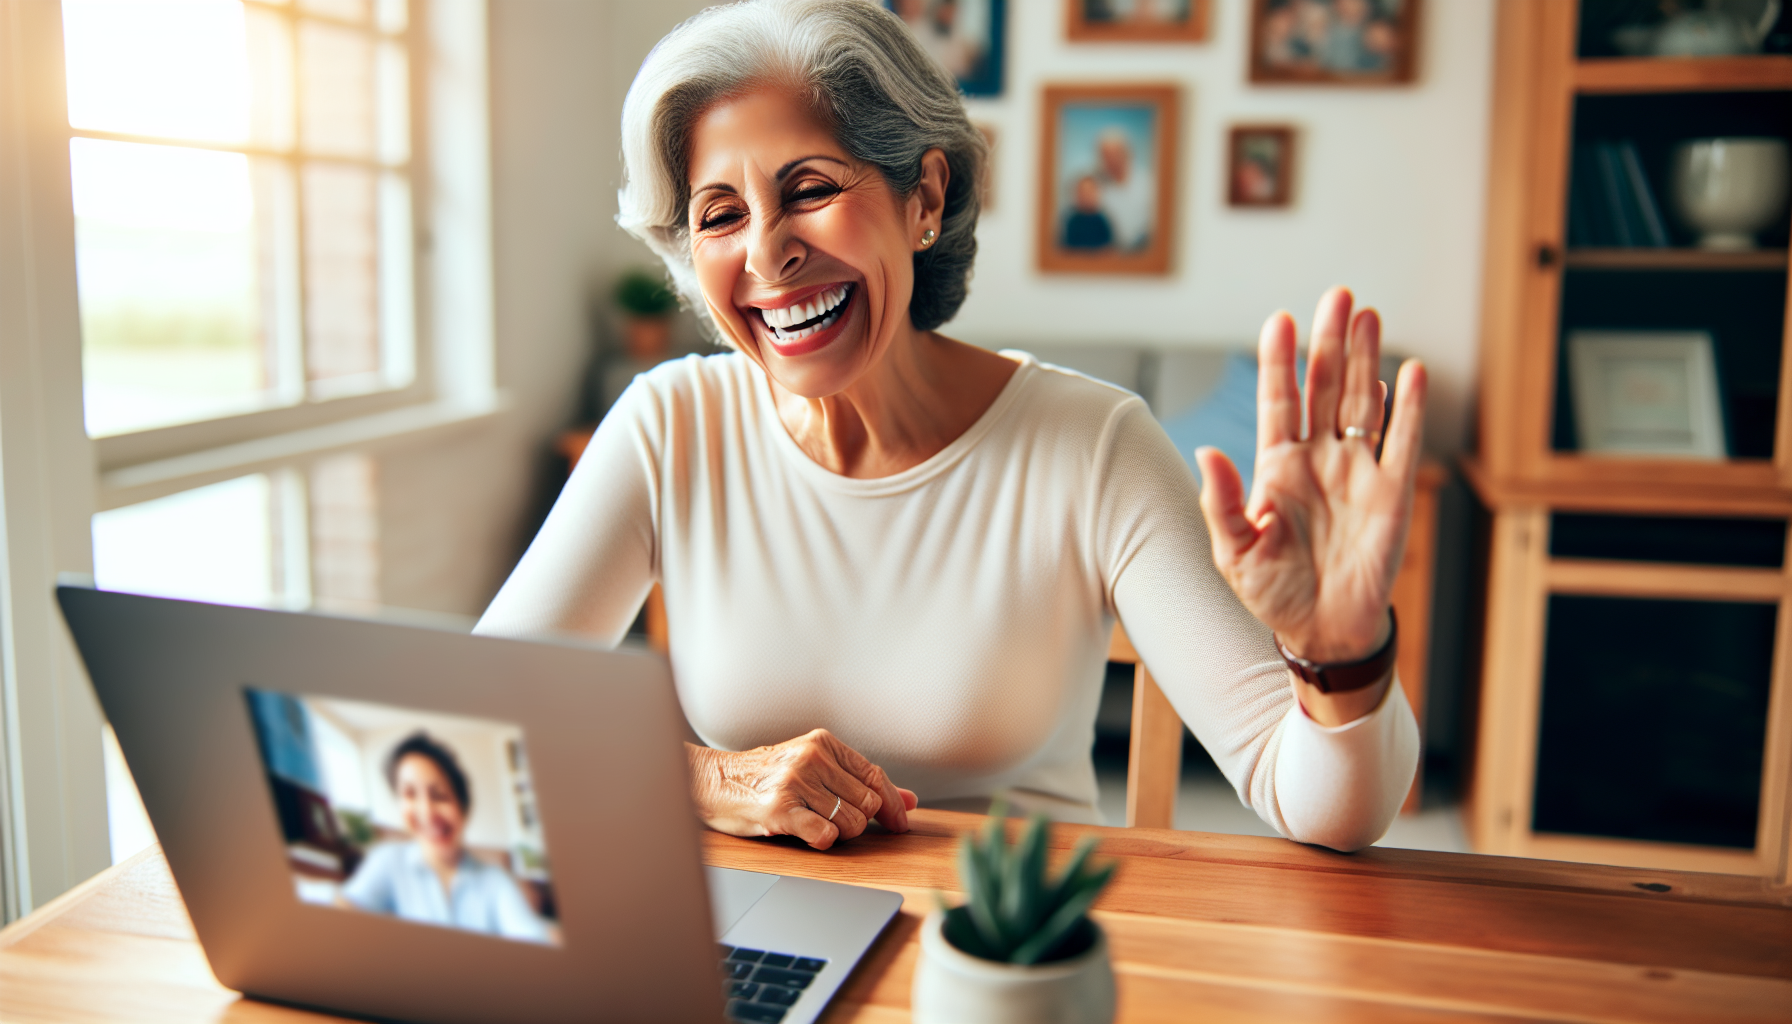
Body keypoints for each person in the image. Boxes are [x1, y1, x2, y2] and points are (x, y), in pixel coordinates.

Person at [476, 0, 1425, 854]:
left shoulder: (1095, 447)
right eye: (720, 215)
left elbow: (1322, 807)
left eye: (809, 189)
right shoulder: (669, 425)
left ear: (923, 197)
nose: (769, 252)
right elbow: (472, 725)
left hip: (1010, 954)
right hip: (764, 939)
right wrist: (706, 778)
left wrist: (1342, 656)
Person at [340, 732, 552, 944]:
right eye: (410, 794)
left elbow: (532, 934)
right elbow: (344, 910)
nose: (427, 812)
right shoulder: (387, 861)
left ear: (463, 807)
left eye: (440, 795)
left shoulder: (496, 882)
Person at [1093, 128, 1155, 251]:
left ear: (1127, 153)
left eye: (1114, 154)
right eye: (1105, 155)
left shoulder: (1149, 182)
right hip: (1106, 255)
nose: (1110, 160)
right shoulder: (1094, 185)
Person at [1062, 174, 1114, 250]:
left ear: (1096, 194)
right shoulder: (1072, 222)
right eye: (1082, 192)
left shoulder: (1102, 221)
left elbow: (1108, 247)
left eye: (1090, 192)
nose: (1086, 196)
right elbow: (1067, 249)